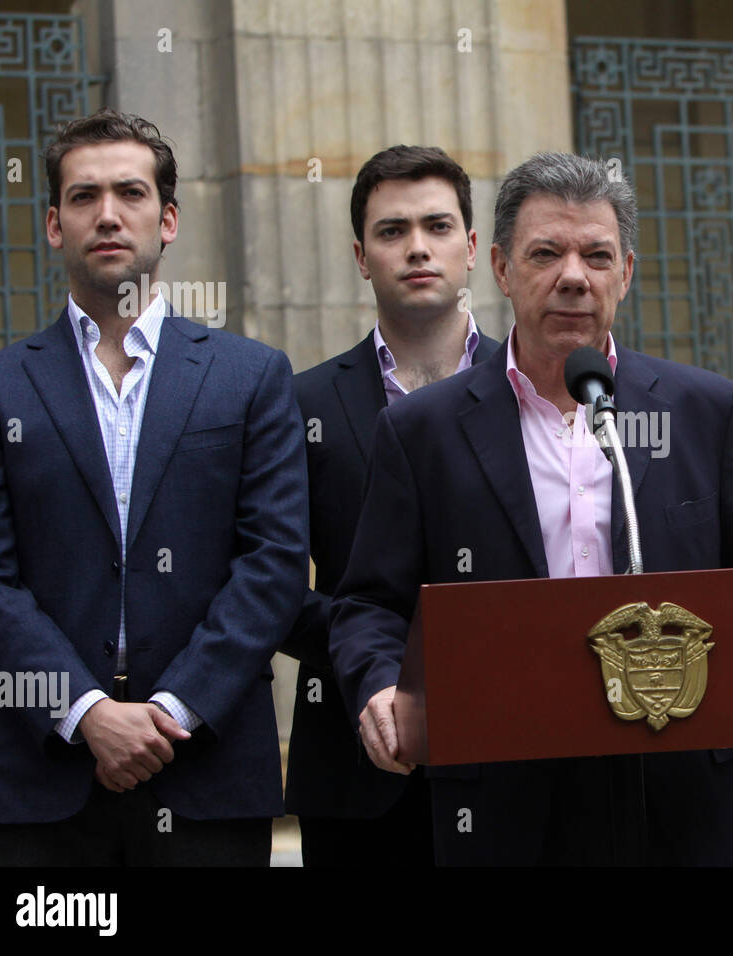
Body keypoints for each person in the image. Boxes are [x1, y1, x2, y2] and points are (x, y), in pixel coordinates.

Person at [329, 151, 733, 866]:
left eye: (596, 255)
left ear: (627, 272)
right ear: (499, 267)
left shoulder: (705, 410)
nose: (573, 277)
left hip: (679, 796)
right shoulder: (422, 430)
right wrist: (375, 685)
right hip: (505, 800)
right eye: (546, 253)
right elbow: (369, 602)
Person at [0, 108, 308, 865]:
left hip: (205, 769)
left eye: (130, 192)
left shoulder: (250, 379)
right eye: (84, 197)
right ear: (55, 226)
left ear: (169, 218)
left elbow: (275, 563)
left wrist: (169, 710)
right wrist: (85, 711)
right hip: (41, 777)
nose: (108, 214)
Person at [281, 145, 498, 867]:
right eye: (391, 231)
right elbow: (270, 579)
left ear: (471, 249)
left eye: (437, 227)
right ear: (360, 255)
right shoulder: (298, 403)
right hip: (356, 764)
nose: (416, 248)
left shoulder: (536, 387)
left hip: (517, 755)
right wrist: (378, 666)